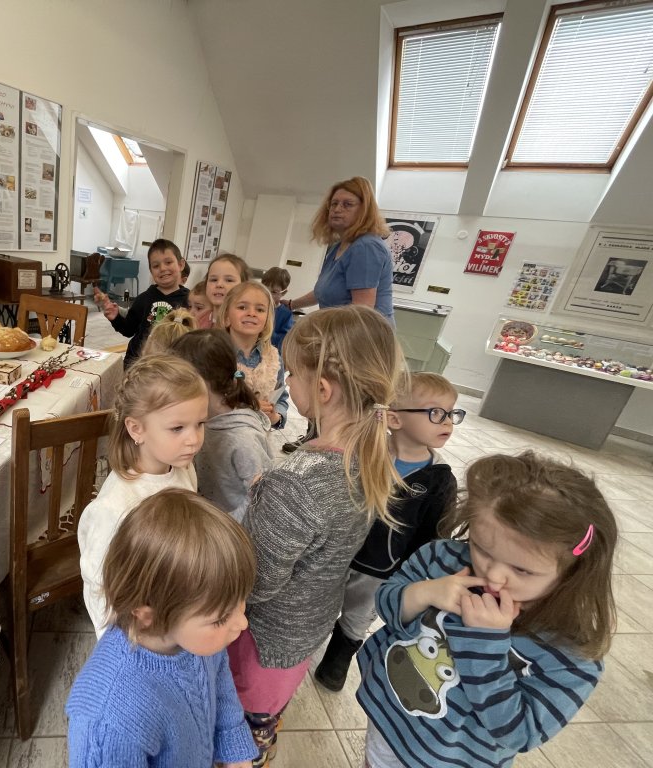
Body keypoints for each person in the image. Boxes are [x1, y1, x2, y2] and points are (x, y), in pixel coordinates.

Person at [356, 451, 618, 768]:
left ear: (573, 571)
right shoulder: (443, 558)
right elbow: (386, 602)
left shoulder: (572, 653)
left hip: (452, 760)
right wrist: (424, 593)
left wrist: (485, 644)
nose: (493, 576)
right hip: (387, 717)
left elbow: (519, 733)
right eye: (481, 548)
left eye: (522, 570)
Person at [227, 305, 404, 767]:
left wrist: (261, 505)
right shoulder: (369, 459)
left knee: (241, 734)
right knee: (267, 720)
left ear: (322, 389)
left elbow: (257, 583)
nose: (287, 382)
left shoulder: (296, 483)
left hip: (261, 642)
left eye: (292, 374)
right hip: (307, 629)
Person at [66, 488, 259, 768]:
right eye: (220, 619)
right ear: (150, 616)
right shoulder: (108, 720)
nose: (242, 623)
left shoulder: (198, 639)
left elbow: (219, 680)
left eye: (241, 602)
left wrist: (234, 748)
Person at [313, 372, 460, 692]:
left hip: (381, 568)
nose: (447, 422)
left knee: (359, 614)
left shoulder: (439, 480)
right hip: (337, 552)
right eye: (436, 413)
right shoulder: (365, 453)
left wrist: (412, 574)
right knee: (320, 599)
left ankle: (339, 655)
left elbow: (432, 537)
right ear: (394, 418)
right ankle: (310, 638)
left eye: (451, 414)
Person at [78, 355, 208, 636]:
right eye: (178, 428)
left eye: (200, 423)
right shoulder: (117, 507)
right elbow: (99, 585)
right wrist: (120, 642)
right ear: (136, 429)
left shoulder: (183, 468)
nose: (194, 439)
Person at [172, 329, 273, 521]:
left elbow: (263, 500)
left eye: (180, 384)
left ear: (203, 383)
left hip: (228, 531)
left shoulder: (243, 440)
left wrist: (222, 526)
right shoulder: (200, 420)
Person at [284, 176, 394, 323]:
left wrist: (312, 323)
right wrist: (291, 305)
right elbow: (323, 292)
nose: (337, 209)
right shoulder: (338, 248)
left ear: (364, 210)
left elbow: (361, 312)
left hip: (362, 333)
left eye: (347, 204)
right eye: (334, 204)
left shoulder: (366, 247)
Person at [95, 238, 190, 367]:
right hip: (137, 364)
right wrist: (115, 317)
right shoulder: (143, 299)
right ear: (151, 271)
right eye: (156, 266)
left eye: (168, 262)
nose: (162, 268)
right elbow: (128, 330)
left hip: (172, 367)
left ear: (181, 264)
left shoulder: (191, 301)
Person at [220, 281, 289, 430]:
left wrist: (276, 417)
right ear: (226, 316)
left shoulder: (274, 359)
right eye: (242, 307)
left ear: (267, 319)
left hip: (259, 437)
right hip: (221, 437)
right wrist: (247, 408)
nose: (252, 313)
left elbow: (281, 398)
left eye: (260, 309)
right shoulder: (214, 354)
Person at [205, 253, 251, 325]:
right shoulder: (197, 319)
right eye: (214, 280)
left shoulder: (245, 324)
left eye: (229, 280)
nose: (219, 284)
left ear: (244, 286)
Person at [261, 266, 294, 356]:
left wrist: (265, 332)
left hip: (271, 355)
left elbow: (284, 341)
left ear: (283, 293)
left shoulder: (286, 314)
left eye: (274, 292)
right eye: (265, 289)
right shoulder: (255, 308)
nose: (268, 294)